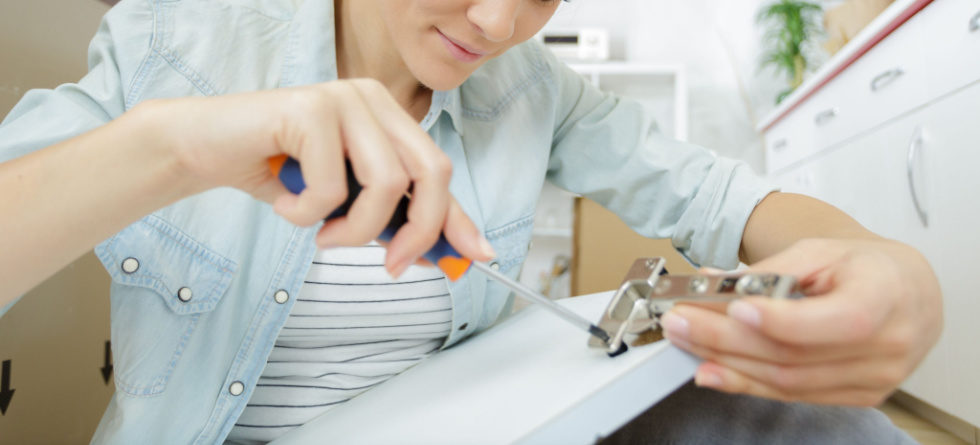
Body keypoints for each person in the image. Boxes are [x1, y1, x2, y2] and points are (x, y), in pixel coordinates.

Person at [0, 0, 939, 443]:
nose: (495, 22)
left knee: (833, 432)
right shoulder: (175, 41)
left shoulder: (533, 90)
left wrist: (897, 272)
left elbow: (720, 198)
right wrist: (178, 149)